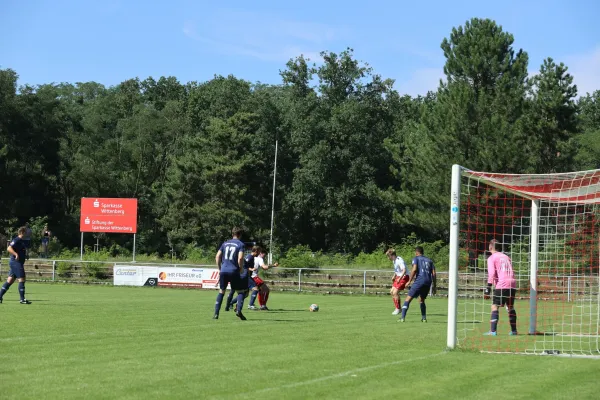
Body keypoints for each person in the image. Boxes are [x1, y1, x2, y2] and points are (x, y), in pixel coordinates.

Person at [483, 239, 517, 336]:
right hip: (512, 283)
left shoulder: (492, 258)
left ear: (490, 247)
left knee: (494, 306)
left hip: (502, 284)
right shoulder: (507, 257)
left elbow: (492, 273)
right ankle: (514, 331)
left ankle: (493, 331)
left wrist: (487, 289)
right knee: (510, 307)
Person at [213, 227, 247, 320]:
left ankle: (216, 314)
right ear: (240, 235)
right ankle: (239, 310)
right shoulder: (240, 244)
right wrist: (240, 269)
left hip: (224, 270)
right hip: (234, 271)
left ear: (232, 234)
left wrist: (220, 269)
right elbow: (240, 258)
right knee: (240, 291)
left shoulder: (224, 243)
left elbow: (217, 257)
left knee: (221, 291)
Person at [398, 246, 435, 322]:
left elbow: (414, 269)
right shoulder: (430, 260)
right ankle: (424, 318)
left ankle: (402, 318)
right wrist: (434, 285)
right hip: (428, 282)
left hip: (419, 281)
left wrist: (409, 281)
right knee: (421, 300)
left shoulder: (416, 258)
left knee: (408, 299)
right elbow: (434, 274)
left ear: (417, 252)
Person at [0, 227, 32, 304]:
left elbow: (21, 250)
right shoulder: (17, 239)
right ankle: (22, 299)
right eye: (26, 232)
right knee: (22, 279)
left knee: (9, 281)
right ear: (22, 232)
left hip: (17, 262)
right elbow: (9, 248)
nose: (27, 233)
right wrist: (16, 254)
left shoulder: (22, 241)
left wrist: (25, 255)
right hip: (16, 262)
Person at [225, 246, 259, 312]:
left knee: (244, 293)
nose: (259, 253)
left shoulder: (248, 257)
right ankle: (250, 305)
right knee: (255, 289)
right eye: (259, 251)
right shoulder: (249, 257)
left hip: (241, 275)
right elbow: (244, 266)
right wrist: (251, 269)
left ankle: (231, 303)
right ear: (256, 251)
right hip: (245, 276)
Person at [386, 248, 409, 315]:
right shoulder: (394, 261)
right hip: (399, 277)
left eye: (388, 256)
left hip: (404, 277)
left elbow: (404, 270)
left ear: (392, 255)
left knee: (395, 292)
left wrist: (399, 278)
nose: (388, 258)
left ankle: (398, 309)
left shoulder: (399, 260)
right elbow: (397, 270)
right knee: (391, 292)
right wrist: (394, 276)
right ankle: (398, 308)